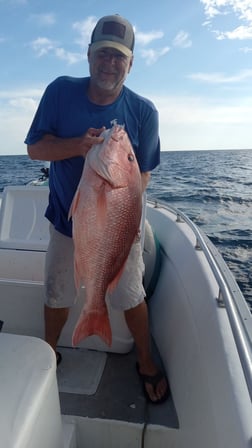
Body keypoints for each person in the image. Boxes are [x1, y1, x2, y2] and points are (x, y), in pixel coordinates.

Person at [25, 14, 169, 404]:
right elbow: (36, 148)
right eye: (103, 54)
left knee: (130, 294)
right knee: (57, 293)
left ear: (131, 63)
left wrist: (126, 218)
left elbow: (143, 175)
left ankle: (145, 360)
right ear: (89, 55)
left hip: (119, 227)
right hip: (66, 222)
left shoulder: (144, 112)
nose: (110, 63)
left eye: (119, 57)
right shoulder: (60, 92)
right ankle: (49, 350)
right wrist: (78, 146)